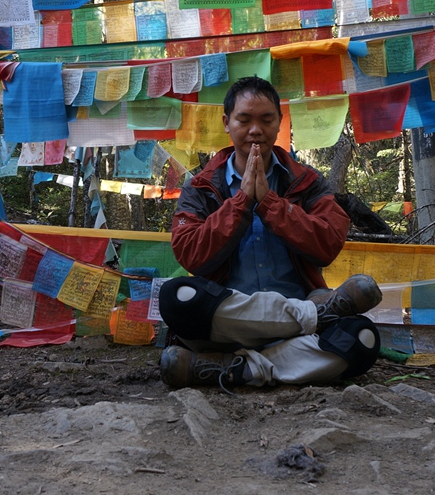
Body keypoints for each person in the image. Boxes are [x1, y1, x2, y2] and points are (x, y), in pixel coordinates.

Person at [158, 75, 384, 391]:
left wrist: (270, 204)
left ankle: (232, 369)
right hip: (227, 323)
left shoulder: (308, 182)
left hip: (297, 330)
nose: (256, 130)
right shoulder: (200, 187)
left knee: (362, 339)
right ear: (226, 123)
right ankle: (312, 316)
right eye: (244, 120)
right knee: (175, 297)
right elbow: (191, 254)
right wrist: (241, 203)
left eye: (266, 120)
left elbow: (328, 244)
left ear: (279, 123)